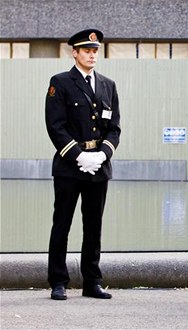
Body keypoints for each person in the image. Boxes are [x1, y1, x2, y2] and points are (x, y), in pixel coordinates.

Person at [45, 29, 121, 300]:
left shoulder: (107, 85)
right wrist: (79, 155)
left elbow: (114, 128)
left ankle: (92, 281)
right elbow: (55, 126)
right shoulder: (61, 82)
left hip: (98, 167)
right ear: (74, 53)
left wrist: (102, 155)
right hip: (69, 166)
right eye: (86, 50)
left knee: (93, 226)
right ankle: (58, 281)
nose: (92, 54)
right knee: (62, 224)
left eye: (95, 50)